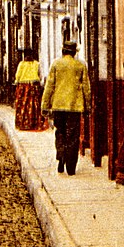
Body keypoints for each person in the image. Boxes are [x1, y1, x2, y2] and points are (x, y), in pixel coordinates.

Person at [42, 40, 91, 175]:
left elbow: (49, 86)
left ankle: (61, 155)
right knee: (73, 136)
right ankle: (70, 167)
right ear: (74, 52)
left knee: (60, 132)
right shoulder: (80, 66)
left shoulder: (56, 64)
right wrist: (87, 106)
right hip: (74, 107)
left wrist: (45, 105)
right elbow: (86, 88)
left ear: (63, 51)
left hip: (58, 106)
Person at [14, 48, 46, 131]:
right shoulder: (36, 64)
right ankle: (34, 123)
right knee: (34, 104)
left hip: (23, 87)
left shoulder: (21, 64)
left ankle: (24, 123)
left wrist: (17, 83)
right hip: (33, 86)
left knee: (23, 105)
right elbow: (40, 75)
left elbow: (17, 76)